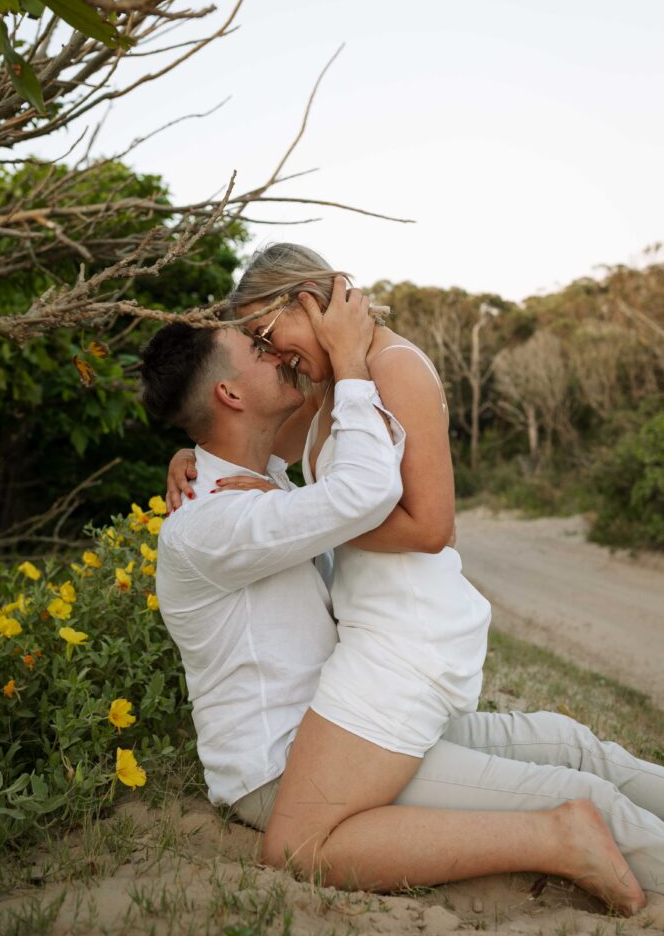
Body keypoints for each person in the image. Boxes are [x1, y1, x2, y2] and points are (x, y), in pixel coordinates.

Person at [146, 276, 664, 915]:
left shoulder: (256, 484)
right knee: (566, 791)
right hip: (286, 766)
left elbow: (289, 481)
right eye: (257, 347)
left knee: (569, 742)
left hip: (354, 722)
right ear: (228, 393)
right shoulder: (213, 522)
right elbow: (362, 495)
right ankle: (561, 839)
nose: (274, 353)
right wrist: (352, 360)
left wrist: (194, 449)